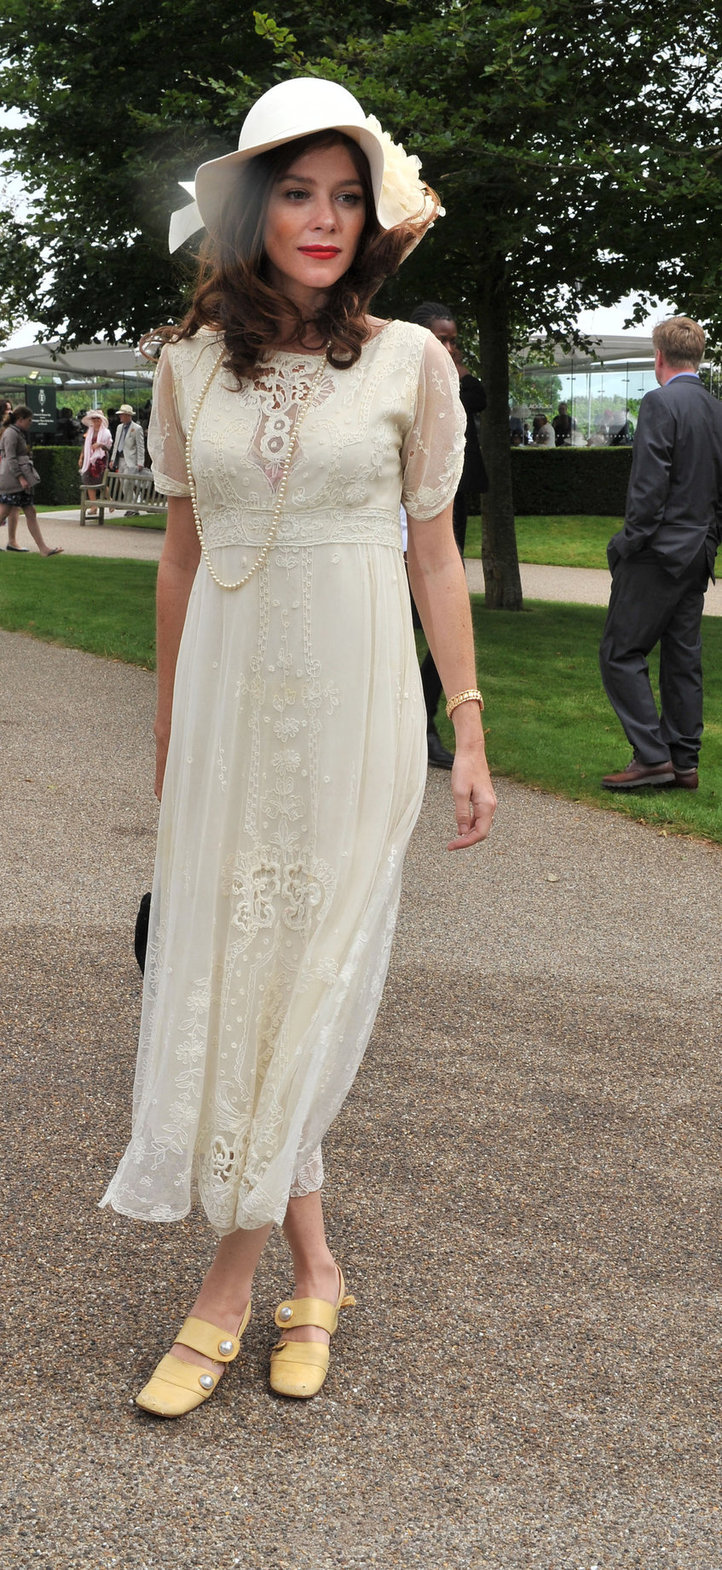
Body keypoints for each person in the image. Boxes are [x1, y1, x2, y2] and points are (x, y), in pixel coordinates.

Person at [100, 77, 496, 1419]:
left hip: (357, 709)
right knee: (251, 978)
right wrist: (167, 718)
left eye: (346, 194)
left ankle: (224, 1290)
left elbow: (433, 555)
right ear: (253, 205)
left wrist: (472, 727)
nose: (323, 218)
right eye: (298, 190)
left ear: (369, 216)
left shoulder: (410, 363)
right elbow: (180, 554)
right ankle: (314, 1270)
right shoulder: (183, 365)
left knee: (305, 975)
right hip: (227, 710)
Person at [599, 316, 722, 791]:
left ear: (659, 357)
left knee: (620, 652)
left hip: (656, 552)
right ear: (699, 356)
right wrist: (709, 539)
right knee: (682, 658)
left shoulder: (659, 401)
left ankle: (652, 757)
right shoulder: (716, 409)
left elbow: (649, 487)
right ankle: (684, 762)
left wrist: (627, 543)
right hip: (698, 554)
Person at [407, 302, 488, 769]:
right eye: (441, 338)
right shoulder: (407, 382)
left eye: (453, 340)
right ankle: (412, 722)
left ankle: (425, 714)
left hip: (451, 501)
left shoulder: (455, 379)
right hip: (403, 516)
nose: (449, 347)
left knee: (447, 619)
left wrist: (450, 365)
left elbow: (477, 394)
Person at [0, 405, 63, 556]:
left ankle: (43, 548)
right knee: (6, 511)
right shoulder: (11, 434)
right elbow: (10, 458)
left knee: (29, 511)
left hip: (15, 479)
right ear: (20, 419)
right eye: (29, 420)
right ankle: (43, 548)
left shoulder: (15, 432)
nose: (31, 422)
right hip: (13, 480)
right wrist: (21, 477)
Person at [109, 402, 146, 512]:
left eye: (122, 414)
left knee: (127, 483)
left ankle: (133, 507)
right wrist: (112, 459)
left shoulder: (137, 428)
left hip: (131, 460)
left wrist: (140, 462)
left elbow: (140, 446)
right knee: (124, 483)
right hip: (120, 459)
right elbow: (116, 444)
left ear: (128, 416)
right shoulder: (119, 427)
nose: (120, 416)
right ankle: (133, 506)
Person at [79, 409, 112, 516]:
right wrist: (81, 457)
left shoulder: (106, 432)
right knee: (88, 480)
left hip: (100, 460)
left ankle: (110, 500)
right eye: (94, 419)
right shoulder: (90, 431)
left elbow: (108, 447)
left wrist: (100, 445)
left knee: (101, 481)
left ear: (101, 420)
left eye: (98, 418)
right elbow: (85, 446)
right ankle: (93, 506)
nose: (96, 421)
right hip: (89, 459)